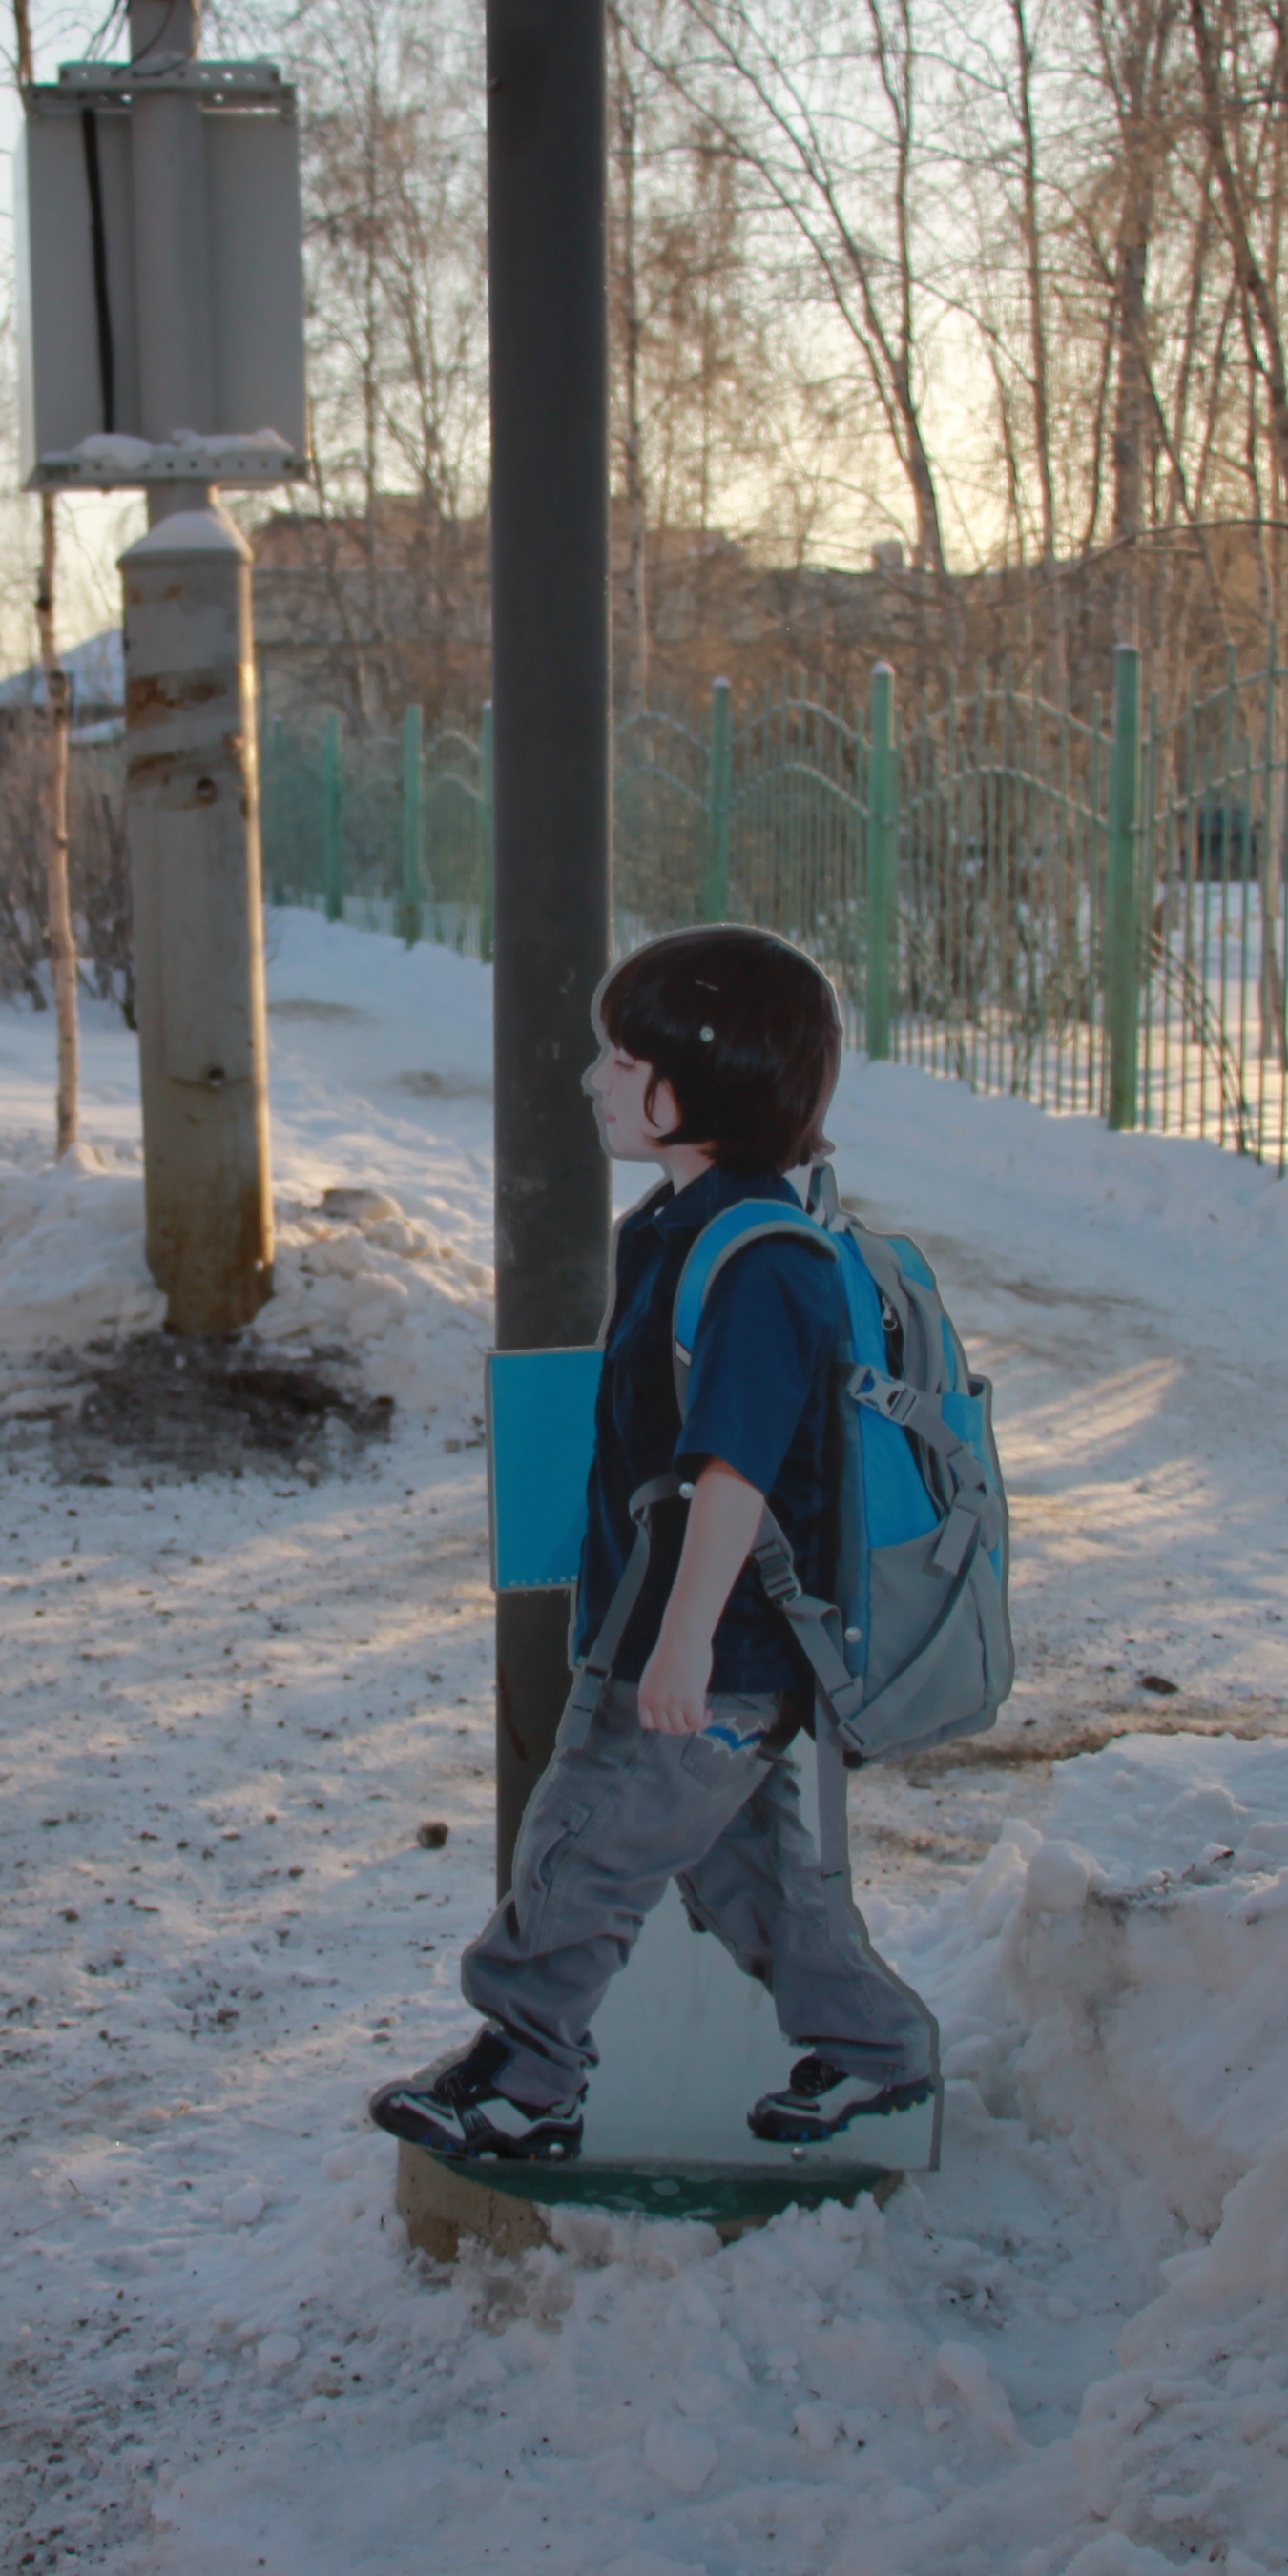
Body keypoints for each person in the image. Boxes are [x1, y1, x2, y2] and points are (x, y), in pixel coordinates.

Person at [367, 924, 938, 2164]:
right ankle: (873, 2051)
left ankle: (525, 2078)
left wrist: (678, 1648)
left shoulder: (763, 1260)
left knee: (582, 1850)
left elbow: (733, 1471)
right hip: (683, 1635)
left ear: (710, 1078)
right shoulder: (678, 1230)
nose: (598, 1082)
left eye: (625, 1061)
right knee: (754, 1882)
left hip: (716, 1647)